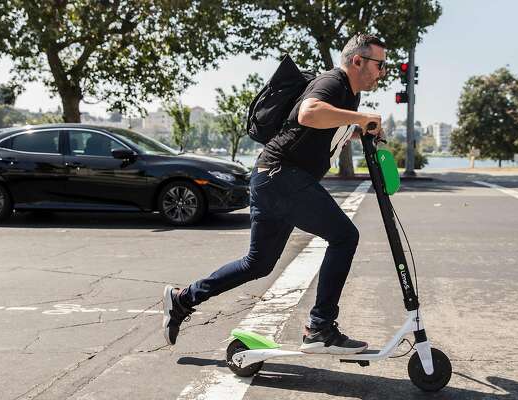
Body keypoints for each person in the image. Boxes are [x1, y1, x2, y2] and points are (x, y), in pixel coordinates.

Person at [163, 34, 386, 354]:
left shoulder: (350, 95)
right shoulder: (333, 83)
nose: (383, 72)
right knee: (344, 236)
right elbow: (308, 113)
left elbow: (319, 130)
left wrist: (357, 128)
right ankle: (320, 327)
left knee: (258, 263)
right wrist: (359, 119)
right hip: (282, 176)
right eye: (380, 64)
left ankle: (183, 299)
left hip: (272, 178)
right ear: (358, 61)